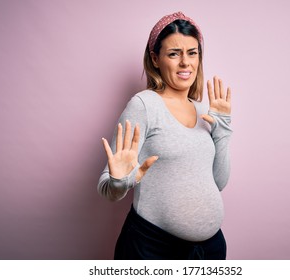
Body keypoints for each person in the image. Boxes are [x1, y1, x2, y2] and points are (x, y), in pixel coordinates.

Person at [98, 11, 232, 260]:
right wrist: (120, 181)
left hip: (210, 250)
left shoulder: (203, 110)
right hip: (154, 248)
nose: (185, 63)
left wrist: (223, 126)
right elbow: (108, 189)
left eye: (192, 53)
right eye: (174, 53)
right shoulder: (144, 105)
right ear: (155, 58)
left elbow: (219, 182)